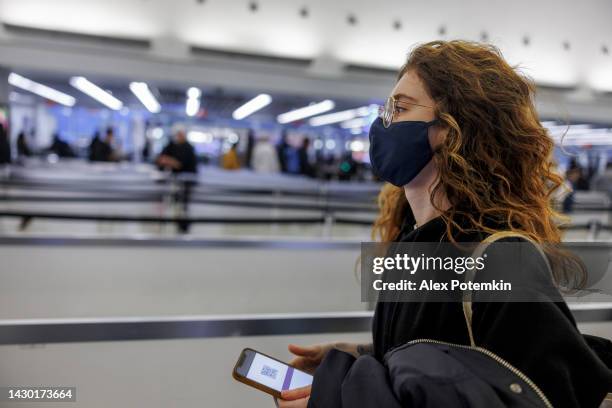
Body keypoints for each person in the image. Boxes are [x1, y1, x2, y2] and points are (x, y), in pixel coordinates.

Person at [277, 40, 612, 408]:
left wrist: (337, 398)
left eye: (400, 109)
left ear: (452, 131)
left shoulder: (500, 259)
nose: (382, 124)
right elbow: (444, 355)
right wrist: (358, 356)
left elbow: (534, 394)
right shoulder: (413, 239)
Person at [156, 123, 197, 233]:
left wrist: (169, 161)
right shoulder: (173, 146)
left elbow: (180, 164)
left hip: (187, 182)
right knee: (174, 205)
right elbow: (161, 158)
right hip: (176, 181)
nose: (177, 137)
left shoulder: (188, 148)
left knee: (182, 206)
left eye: (179, 134)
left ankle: (182, 228)